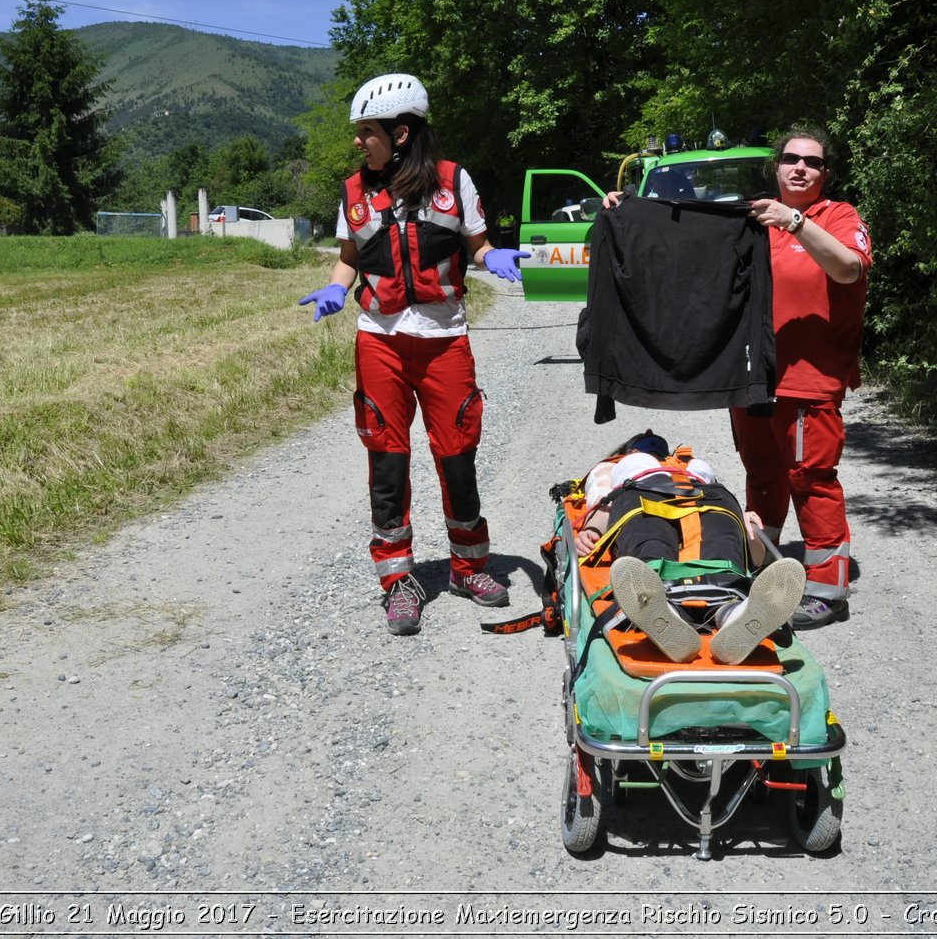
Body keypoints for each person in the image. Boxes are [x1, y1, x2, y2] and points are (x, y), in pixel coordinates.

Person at [298, 72, 530, 635]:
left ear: (401, 133)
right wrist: (335, 284)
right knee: (387, 458)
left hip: (444, 339)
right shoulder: (354, 191)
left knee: (458, 454)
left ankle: (469, 567)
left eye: (366, 131)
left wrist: (490, 257)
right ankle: (397, 581)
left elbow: (477, 245)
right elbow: (349, 255)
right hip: (380, 341)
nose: (359, 141)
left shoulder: (454, 182)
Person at [731, 126, 872, 628]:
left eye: (811, 162)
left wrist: (795, 222)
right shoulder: (753, 218)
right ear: (776, 166)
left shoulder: (836, 216)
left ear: (824, 174)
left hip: (809, 380)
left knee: (810, 480)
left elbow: (850, 269)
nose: (800, 168)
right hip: (753, 376)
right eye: (790, 159)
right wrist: (628, 209)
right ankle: (761, 566)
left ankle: (828, 592)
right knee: (761, 473)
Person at [572, 431, 805, 664]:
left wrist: (743, 520)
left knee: (722, 549)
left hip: (709, 498)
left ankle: (733, 614)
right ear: (629, 451)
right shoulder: (613, 465)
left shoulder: (690, 463)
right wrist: (593, 529)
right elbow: (603, 497)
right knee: (652, 545)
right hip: (642, 493)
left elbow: (720, 492)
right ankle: (663, 609)